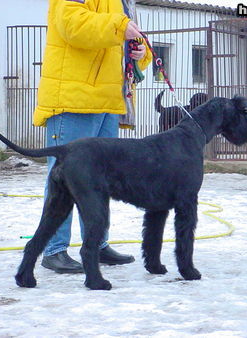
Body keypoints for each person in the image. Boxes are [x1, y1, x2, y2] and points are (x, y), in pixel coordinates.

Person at [32, 0, 152, 273]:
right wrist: (120, 26)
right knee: (62, 178)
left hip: (107, 101)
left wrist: (141, 52)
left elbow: (119, 39)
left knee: (100, 179)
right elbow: (73, 25)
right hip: (73, 100)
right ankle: (54, 250)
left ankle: (96, 245)